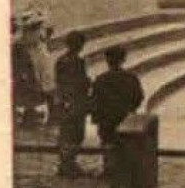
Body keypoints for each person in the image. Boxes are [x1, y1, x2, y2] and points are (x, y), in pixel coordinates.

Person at [90, 45, 145, 178]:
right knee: (124, 145)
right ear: (124, 59)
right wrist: (131, 109)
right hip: (124, 117)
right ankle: (125, 170)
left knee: (107, 143)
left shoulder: (101, 79)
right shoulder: (131, 78)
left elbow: (95, 100)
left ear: (107, 60)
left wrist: (96, 118)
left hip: (107, 119)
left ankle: (108, 169)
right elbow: (139, 97)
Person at [53, 30, 91, 177]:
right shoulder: (78, 62)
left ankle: (66, 163)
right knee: (75, 133)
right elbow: (81, 82)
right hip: (76, 101)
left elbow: (60, 81)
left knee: (66, 133)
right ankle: (69, 163)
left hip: (65, 101)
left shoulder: (61, 60)